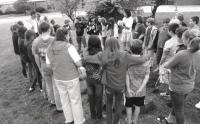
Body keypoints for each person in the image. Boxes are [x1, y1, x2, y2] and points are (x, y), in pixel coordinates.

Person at [84, 37, 149, 124]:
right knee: (118, 104)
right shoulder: (125, 55)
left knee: (109, 104)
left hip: (109, 87)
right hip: (120, 86)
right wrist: (146, 56)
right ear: (118, 44)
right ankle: (116, 122)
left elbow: (87, 59)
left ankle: (109, 122)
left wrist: (84, 53)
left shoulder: (102, 55)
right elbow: (141, 59)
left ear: (106, 45)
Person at [46, 28, 85, 124]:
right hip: (71, 77)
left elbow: (48, 65)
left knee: (64, 99)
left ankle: (69, 119)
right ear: (65, 36)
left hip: (58, 78)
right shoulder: (69, 47)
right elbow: (79, 63)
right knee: (75, 100)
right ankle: (79, 121)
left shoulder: (49, 47)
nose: (69, 36)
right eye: (68, 35)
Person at [163, 32, 200, 124]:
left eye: (183, 38)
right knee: (178, 104)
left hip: (178, 86)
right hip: (189, 84)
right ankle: (170, 119)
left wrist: (166, 63)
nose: (182, 40)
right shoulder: (198, 53)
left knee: (179, 109)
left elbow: (167, 65)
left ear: (188, 41)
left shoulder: (182, 54)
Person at [125, 39, 150, 124]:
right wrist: (140, 89)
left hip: (130, 89)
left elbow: (127, 76)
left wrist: (128, 89)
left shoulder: (127, 61)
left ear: (130, 49)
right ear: (142, 49)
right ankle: (135, 121)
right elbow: (147, 76)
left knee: (128, 106)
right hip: (141, 90)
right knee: (137, 106)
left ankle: (129, 121)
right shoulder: (146, 61)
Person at [32, 22, 55, 105]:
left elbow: (36, 56)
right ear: (49, 29)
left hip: (44, 64)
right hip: (53, 64)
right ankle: (57, 101)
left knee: (48, 83)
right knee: (54, 83)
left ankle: (52, 100)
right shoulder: (53, 39)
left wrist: (39, 67)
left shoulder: (35, 41)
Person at [83, 35, 103, 121]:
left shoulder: (85, 52)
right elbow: (103, 65)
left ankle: (93, 115)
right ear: (99, 43)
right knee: (99, 97)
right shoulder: (100, 54)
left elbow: (84, 62)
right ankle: (99, 115)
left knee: (91, 97)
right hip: (98, 79)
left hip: (89, 79)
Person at [159, 23, 179, 96]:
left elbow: (164, 56)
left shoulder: (169, 42)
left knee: (169, 79)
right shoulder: (181, 40)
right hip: (178, 63)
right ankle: (168, 93)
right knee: (172, 79)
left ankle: (171, 94)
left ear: (170, 31)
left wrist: (160, 63)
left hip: (169, 63)